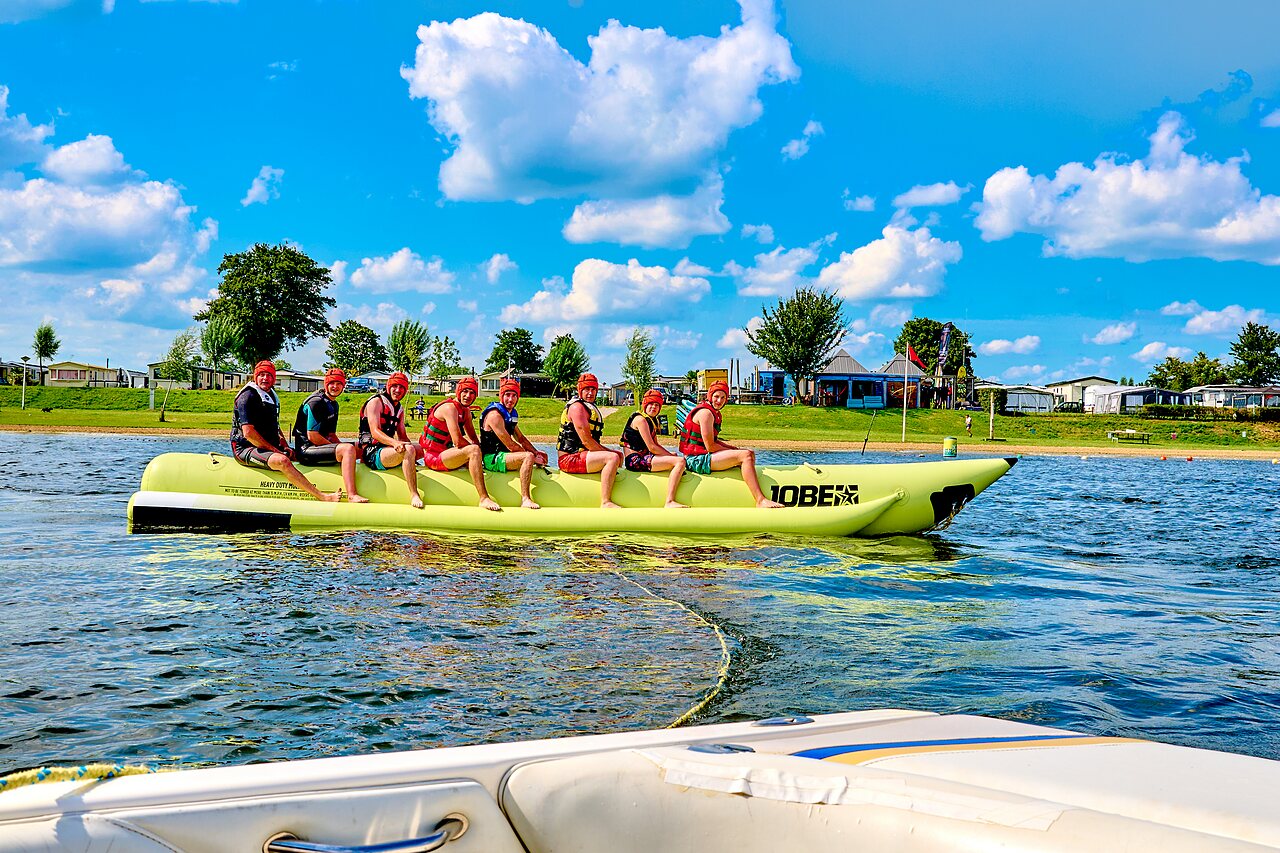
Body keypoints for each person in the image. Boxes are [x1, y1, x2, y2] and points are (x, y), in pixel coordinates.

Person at [229, 360, 339, 502]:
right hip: (245, 448)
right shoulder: (247, 396)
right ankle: (322, 496)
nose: (265, 378)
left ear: (274, 378)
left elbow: (275, 426)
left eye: (269, 375)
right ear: (255, 376)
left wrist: (284, 446)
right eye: (261, 375)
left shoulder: (271, 395)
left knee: (299, 455)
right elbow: (248, 433)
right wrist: (275, 451)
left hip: (266, 447)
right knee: (282, 461)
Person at [679, 379, 782, 508]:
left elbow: (714, 441)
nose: (719, 400)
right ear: (710, 396)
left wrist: (734, 449)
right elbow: (710, 447)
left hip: (701, 457)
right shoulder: (706, 413)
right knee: (746, 456)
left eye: (723, 397)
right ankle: (760, 500)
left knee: (748, 453)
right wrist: (736, 452)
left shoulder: (713, 412)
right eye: (716, 396)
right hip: (695, 460)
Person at [419, 376, 501, 512]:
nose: (468, 396)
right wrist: (476, 451)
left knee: (475, 450)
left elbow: (473, 438)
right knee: (473, 451)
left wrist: (485, 454)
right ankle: (483, 498)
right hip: (433, 457)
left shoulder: (466, 411)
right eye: (465, 391)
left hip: (446, 454)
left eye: (472, 393)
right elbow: (457, 441)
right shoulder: (449, 408)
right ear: (458, 391)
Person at [290, 367, 368, 503]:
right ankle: (352, 494)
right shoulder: (316, 402)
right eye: (332, 383)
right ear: (326, 384)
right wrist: (341, 451)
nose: (335, 387)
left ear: (343, 386)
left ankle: (366, 477)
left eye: (339, 384)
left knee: (361, 447)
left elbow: (331, 434)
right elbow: (313, 436)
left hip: (319, 447)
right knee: (347, 450)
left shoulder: (333, 404)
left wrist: (342, 450)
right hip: (306, 450)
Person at [357, 371, 425, 509]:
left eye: (402, 387)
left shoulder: (399, 409)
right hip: (372, 452)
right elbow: (375, 432)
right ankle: (414, 494)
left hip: (387, 450)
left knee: (422, 448)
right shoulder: (376, 402)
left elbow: (402, 436)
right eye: (395, 386)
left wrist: (415, 456)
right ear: (388, 386)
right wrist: (396, 443)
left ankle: (411, 466)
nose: (398, 390)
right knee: (408, 450)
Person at [479, 378, 546, 509]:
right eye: (507, 395)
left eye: (514, 395)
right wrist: (532, 457)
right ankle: (525, 499)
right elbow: (511, 445)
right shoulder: (495, 416)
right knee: (527, 457)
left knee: (530, 455)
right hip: (492, 458)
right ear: (501, 395)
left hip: (503, 456)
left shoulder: (509, 415)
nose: (511, 399)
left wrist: (537, 452)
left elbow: (521, 439)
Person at [557, 373, 621, 509]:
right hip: (569, 459)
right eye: (586, 389)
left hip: (583, 455)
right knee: (612, 458)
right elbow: (587, 442)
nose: (590, 393)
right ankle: (605, 501)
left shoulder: (587, 407)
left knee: (617, 455)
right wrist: (611, 454)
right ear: (580, 390)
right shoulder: (577, 408)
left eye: (593, 389)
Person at [620, 388, 687, 509]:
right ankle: (669, 501)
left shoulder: (651, 421)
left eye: (657, 405)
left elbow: (656, 445)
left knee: (674, 456)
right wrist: (671, 458)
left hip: (644, 457)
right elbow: (652, 447)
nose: (653, 407)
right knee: (680, 462)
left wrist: (669, 455)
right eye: (650, 404)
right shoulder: (640, 420)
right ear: (645, 405)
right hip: (635, 461)